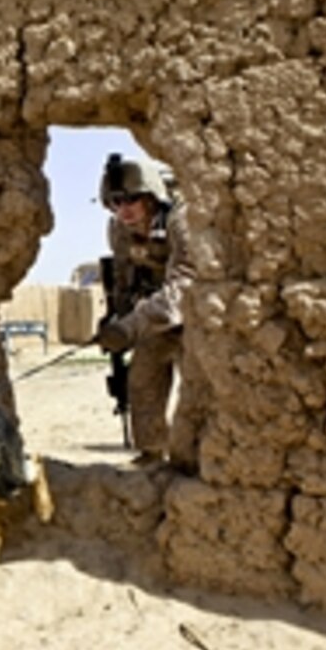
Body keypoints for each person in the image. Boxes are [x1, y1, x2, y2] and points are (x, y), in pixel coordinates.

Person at [95, 154, 194, 466]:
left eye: (131, 199)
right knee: (142, 378)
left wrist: (132, 325)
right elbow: (124, 278)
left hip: (196, 313)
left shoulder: (182, 219)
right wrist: (116, 319)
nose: (123, 209)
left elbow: (186, 282)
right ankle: (152, 453)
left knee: (197, 387)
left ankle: (194, 454)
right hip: (152, 316)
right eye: (114, 201)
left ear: (151, 196)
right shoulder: (119, 230)